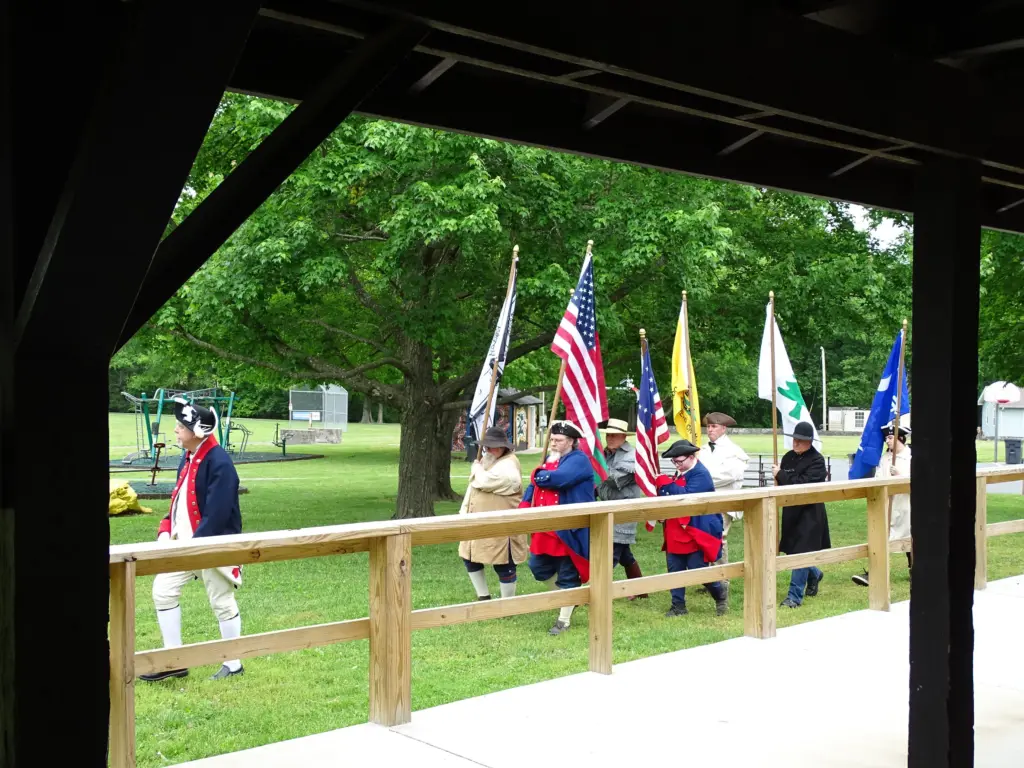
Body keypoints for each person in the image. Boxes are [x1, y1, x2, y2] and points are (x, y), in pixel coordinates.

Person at [142, 398, 245, 682]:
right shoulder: (188, 456)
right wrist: (166, 529)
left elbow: (218, 514)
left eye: (181, 426)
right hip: (184, 544)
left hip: (212, 544)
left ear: (198, 431)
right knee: (163, 591)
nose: (176, 430)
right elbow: (178, 500)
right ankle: (174, 660)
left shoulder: (220, 462)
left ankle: (233, 664)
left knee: (222, 601)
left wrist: (195, 547)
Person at [522, 421, 595, 635]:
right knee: (538, 567)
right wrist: (525, 504)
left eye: (558, 440)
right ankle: (570, 600)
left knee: (567, 573)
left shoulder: (579, 459)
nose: (553, 443)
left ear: (571, 441)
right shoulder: (551, 458)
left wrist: (537, 473)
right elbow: (534, 485)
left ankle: (564, 620)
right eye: (552, 439)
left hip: (568, 527)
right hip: (545, 527)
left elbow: (557, 479)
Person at [654, 439, 728, 617]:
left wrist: (665, 483)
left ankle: (720, 593)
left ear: (691, 457)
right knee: (674, 569)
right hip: (675, 529)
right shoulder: (681, 472)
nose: (677, 465)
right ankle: (678, 606)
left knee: (698, 569)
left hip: (695, 530)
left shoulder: (701, 474)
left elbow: (686, 496)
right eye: (674, 462)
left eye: (679, 461)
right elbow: (670, 498)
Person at [458, 426, 527, 600]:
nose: (490, 449)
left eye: (494, 446)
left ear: (504, 447)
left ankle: (506, 603)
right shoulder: (488, 460)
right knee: (469, 556)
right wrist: (463, 512)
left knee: (503, 563)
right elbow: (473, 488)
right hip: (478, 521)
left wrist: (476, 468)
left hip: (502, 524)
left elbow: (483, 481)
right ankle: (484, 597)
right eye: (487, 446)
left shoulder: (509, 465)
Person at [774, 421, 830, 608]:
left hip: (809, 513)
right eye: (794, 439)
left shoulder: (817, 461)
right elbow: (785, 485)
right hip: (791, 511)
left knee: (801, 551)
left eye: (800, 440)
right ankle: (815, 573)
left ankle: (794, 597)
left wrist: (781, 475)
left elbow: (802, 485)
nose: (796, 443)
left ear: (809, 442)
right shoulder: (788, 457)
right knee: (794, 550)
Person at [853, 420, 912, 586]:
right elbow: (878, 477)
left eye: (891, 437)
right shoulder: (885, 458)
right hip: (887, 505)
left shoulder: (911, 457)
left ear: (900, 438)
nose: (887, 440)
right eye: (886, 438)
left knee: (909, 541)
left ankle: (914, 570)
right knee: (881, 539)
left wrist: (900, 476)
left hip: (906, 507)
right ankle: (874, 573)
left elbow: (918, 482)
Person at [597, 418, 647, 598]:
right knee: (625, 554)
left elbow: (615, 481)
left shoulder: (632, 456)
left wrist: (595, 465)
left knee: (610, 555)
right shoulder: (605, 454)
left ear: (624, 437)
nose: (610, 438)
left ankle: (597, 593)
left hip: (623, 512)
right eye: (608, 435)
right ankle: (640, 590)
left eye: (615, 435)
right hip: (607, 510)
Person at [700, 411, 749, 589]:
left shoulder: (733, 451)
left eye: (714, 426)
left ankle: (722, 580)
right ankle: (710, 580)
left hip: (724, 502)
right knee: (704, 538)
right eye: (708, 426)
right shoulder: (703, 449)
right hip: (705, 501)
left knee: (719, 539)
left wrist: (702, 480)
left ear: (723, 428)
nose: (710, 430)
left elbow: (730, 475)